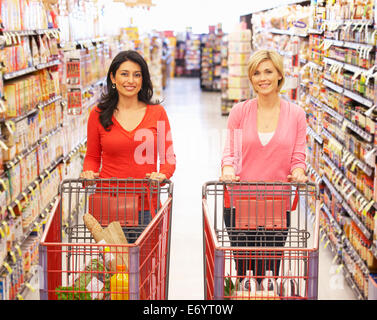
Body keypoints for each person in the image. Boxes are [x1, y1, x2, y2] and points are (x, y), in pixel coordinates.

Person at [220, 49, 308, 285]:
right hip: (240, 202)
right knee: (245, 273)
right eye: (256, 73)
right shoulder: (240, 111)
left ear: (280, 74)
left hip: (276, 204)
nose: (263, 78)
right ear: (251, 78)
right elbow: (230, 152)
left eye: (268, 71)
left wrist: (299, 171)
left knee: (269, 272)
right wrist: (228, 169)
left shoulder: (296, 115)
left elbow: (298, 156)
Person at [81, 50, 176, 242]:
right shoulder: (98, 114)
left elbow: (168, 158)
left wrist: (163, 173)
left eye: (137, 74)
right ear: (113, 78)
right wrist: (88, 173)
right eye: (124, 74)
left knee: (145, 268)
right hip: (108, 203)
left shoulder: (156, 113)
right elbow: (92, 157)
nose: (130, 80)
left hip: (145, 205)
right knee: (113, 268)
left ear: (143, 79)